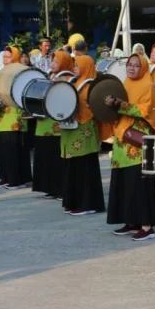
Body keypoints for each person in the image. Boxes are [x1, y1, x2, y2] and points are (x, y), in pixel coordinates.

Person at [103, 53, 155, 240]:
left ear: (143, 68)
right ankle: (131, 221)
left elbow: (143, 111)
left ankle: (147, 226)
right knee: (125, 184)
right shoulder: (125, 84)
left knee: (139, 185)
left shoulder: (147, 86)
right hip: (122, 141)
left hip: (137, 143)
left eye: (136, 65)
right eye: (129, 64)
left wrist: (121, 105)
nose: (132, 68)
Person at [61, 55, 105, 216]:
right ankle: (75, 201)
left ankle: (89, 204)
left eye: (77, 65)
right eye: (74, 65)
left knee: (85, 169)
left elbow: (97, 109)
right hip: (73, 130)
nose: (74, 68)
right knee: (75, 168)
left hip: (86, 131)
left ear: (86, 67)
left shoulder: (92, 86)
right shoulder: (74, 83)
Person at [31, 51, 74, 200]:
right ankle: (49, 187)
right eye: (52, 61)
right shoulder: (48, 76)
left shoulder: (68, 79)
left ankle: (61, 189)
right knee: (46, 157)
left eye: (56, 61)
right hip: (44, 124)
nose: (53, 64)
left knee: (57, 159)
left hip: (58, 126)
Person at [0, 46, 32, 190]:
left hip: (14, 117)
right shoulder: (0, 73)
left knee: (13, 150)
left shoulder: (20, 72)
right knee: (2, 150)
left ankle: (17, 179)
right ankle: (5, 177)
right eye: (4, 57)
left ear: (15, 57)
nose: (5, 60)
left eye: (8, 57)